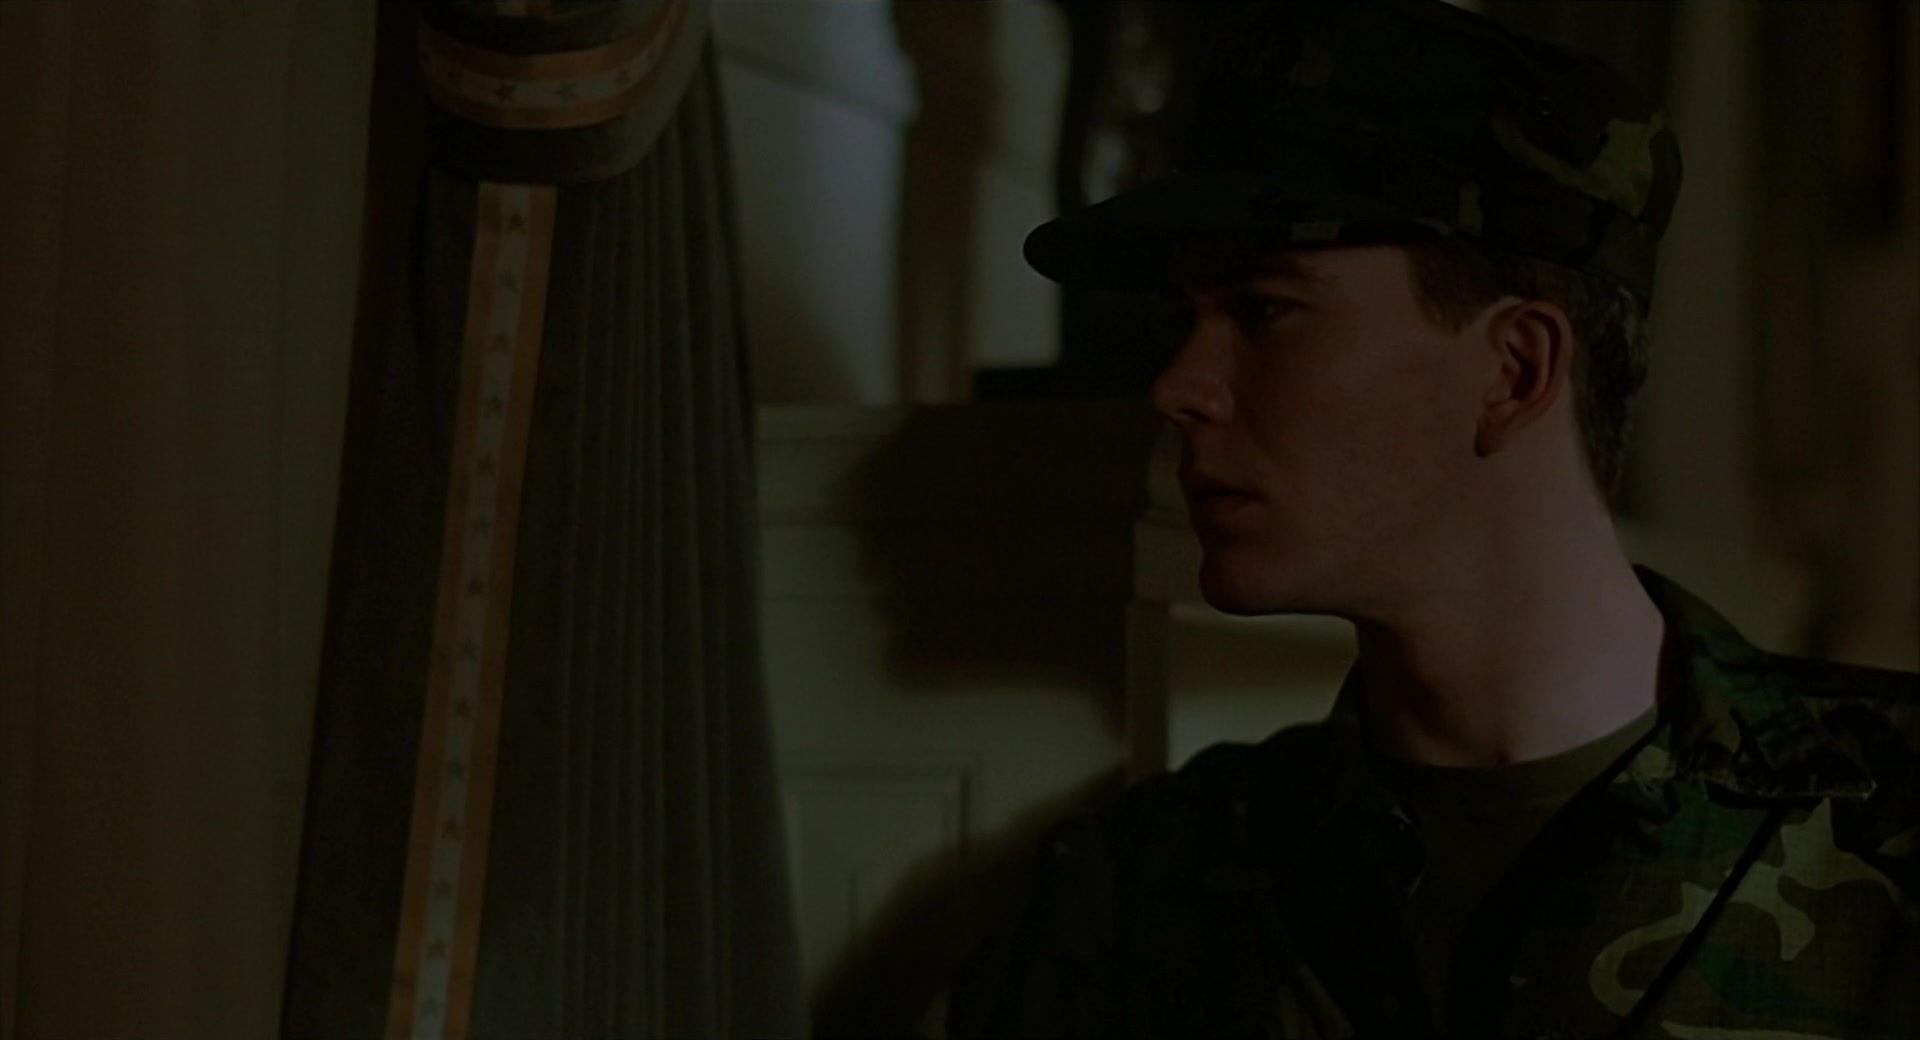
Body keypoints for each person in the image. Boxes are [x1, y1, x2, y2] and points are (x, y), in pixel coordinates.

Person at [943, 2, 1920, 1038]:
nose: (1180, 386)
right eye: (1185, 319)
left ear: (1515, 370)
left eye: (1265, 310)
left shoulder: (1892, 827)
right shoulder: (1143, 893)